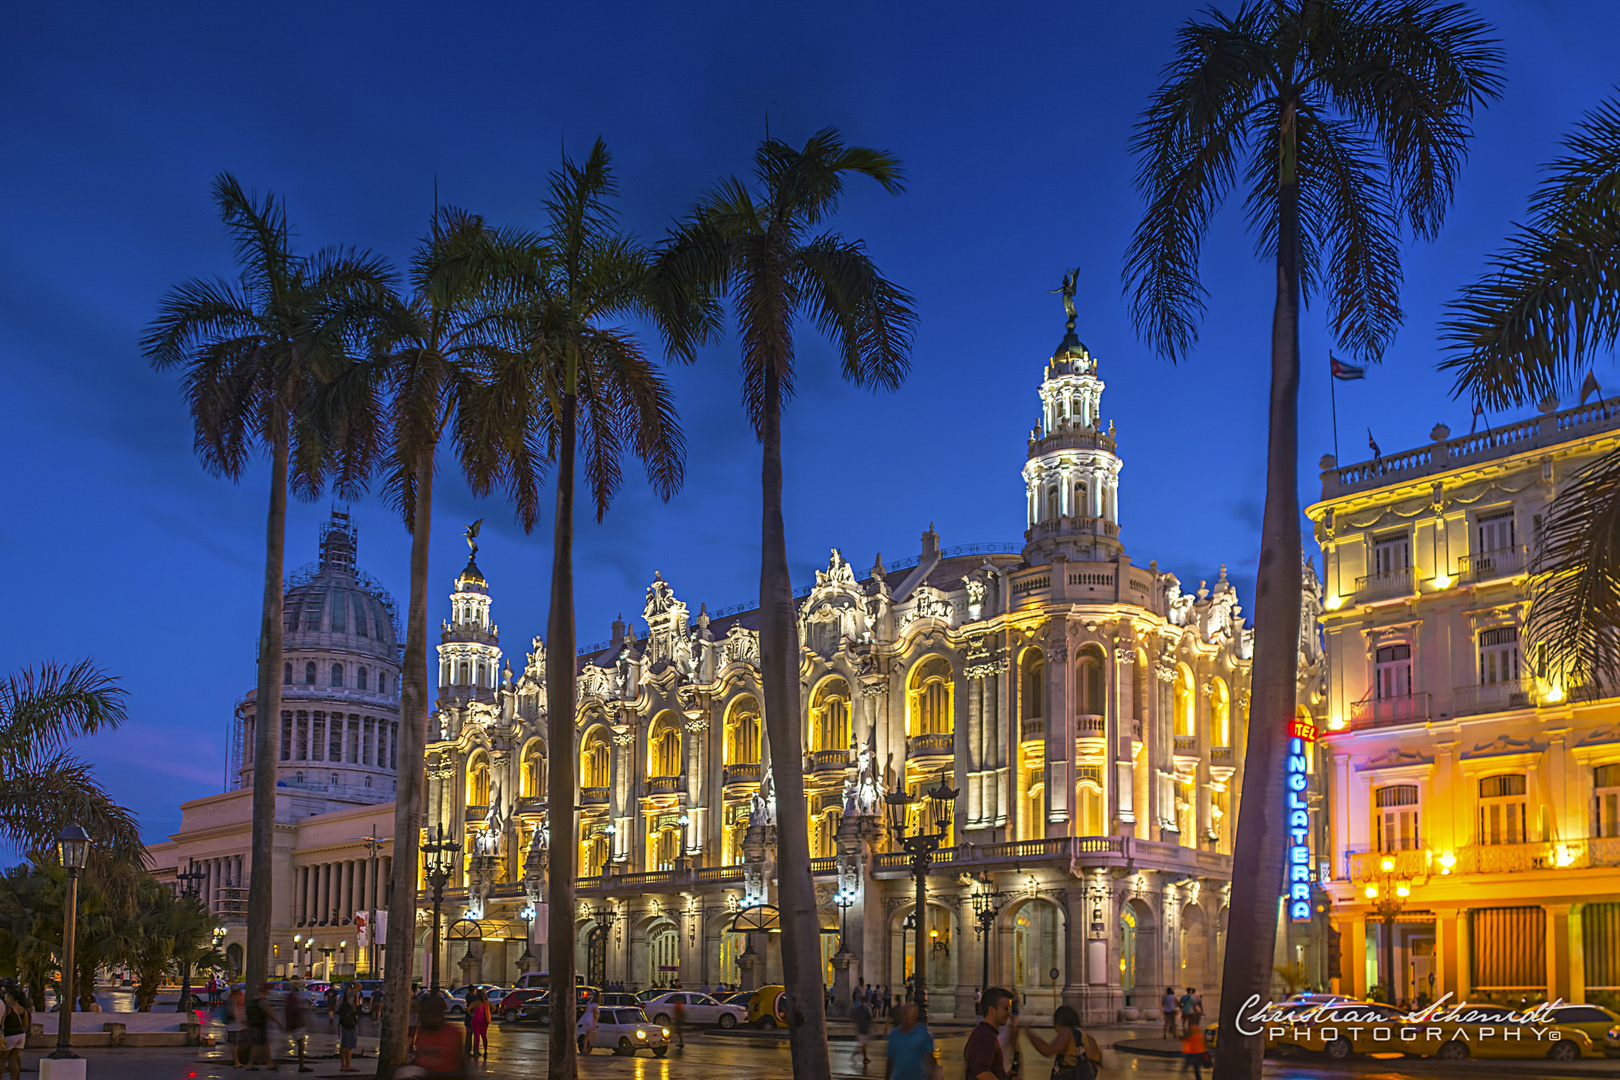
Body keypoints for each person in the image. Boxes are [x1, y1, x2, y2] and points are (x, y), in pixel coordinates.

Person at [398, 994, 464, 1080]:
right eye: (423, 1015)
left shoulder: (453, 1033)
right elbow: (418, 1060)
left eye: (431, 1014)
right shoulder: (421, 1032)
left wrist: (428, 1074)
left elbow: (460, 1070)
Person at [1021, 1005, 1093, 1080]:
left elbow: (1048, 1050)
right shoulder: (1082, 1034)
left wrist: (1029, 1033)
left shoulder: (1066, 1032)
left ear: (1058, 1023)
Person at [967, 987, 1014, 1080]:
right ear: (991, 1010)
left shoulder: (983, 1033)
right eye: (1006, 1009)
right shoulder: (986, 1037)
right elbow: (982, 1074)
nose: (1010, 1014)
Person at [884, 1003, 935, 1080]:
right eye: (905, 1014)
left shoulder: (923, 1033)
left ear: (915, 1016)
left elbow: (930, 1057)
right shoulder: (894, 1034)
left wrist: (932, 1074)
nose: (907, 1017)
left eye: (910, 1014)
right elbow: (890, 1060)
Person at [284, 980, 311, 1072]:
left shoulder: (289, 998)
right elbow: (298, 1011)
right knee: (301, 1045)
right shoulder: (296, 998)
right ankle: (301, 1065)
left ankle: (277, 1061)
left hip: (292, 1024)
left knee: (295, 1044)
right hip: (297, 1024)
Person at [336, 982, 362, 1073]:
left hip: (344, 1022)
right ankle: (348, 1065)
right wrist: (353, 982)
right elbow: (360, 986)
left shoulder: (341, 997)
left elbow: (357, 1004)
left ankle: (343, 1065)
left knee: (343, 1045)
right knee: (349, 1046)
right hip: (350, 1022)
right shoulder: (349, 994)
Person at [2, 989, 26, 1080]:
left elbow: (2, 1021)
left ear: (10, 997)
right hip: (20, 1035)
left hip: (10, 1035)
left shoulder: (8, 1008)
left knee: (2, 1060)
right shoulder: (22, 1009)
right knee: (13, 1059)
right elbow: (25, 1024)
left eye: (6, 996)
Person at [467, 989, 491, 1059]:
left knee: (477, 1037)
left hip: (475, 1020)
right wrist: (488, 1013)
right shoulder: (486, 1003)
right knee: (484, 1036)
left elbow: (468, 1009)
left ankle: (476, 1052)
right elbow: (494, 1008)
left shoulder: (475, 1003)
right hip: (484, 1021)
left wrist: (471, 1014)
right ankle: (485, 1051)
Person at [852, 993, 873, 1067]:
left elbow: (854, 1016)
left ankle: (863, 1057)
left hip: (860, 1027)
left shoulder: (858, 1008)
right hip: (865, 1027)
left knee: (862, 1043)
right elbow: (870, 1018)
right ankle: (864, 1057)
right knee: (863, 1044)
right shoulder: (866, 1009)